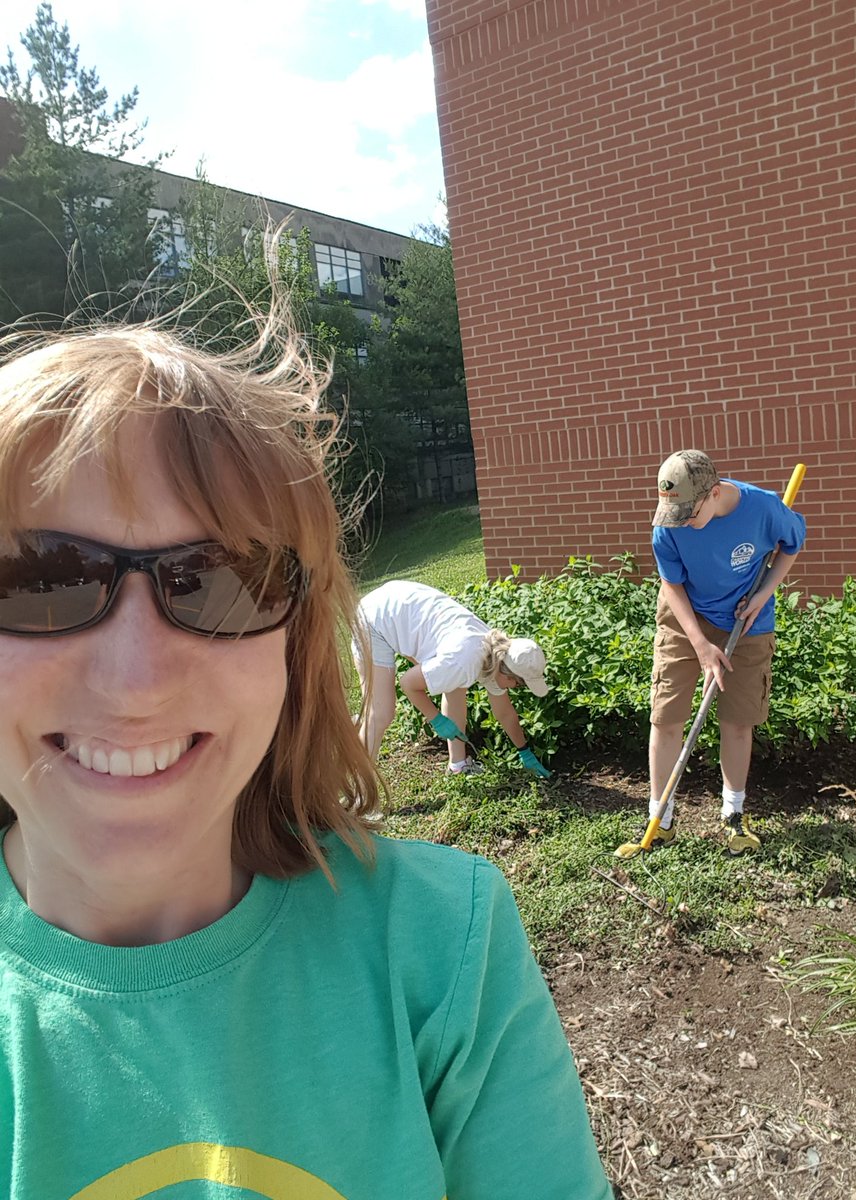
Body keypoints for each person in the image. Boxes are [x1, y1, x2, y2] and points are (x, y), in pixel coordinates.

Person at [0, 317, 614, 1200]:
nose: (135, 687)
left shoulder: (445, 943)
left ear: (290, 645)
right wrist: (452, 746)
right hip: (388, 633)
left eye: (224, 579)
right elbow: (419, 692)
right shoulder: (460, 656)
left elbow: (491, 705)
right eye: (38, 578)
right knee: (386, 707)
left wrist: (508, 751)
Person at [646, 449, 806, 854]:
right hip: (685, 617)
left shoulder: (764, 508)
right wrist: (701, 646)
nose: (680, 522)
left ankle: (733, 815)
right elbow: (672, 584)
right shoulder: (668, 524)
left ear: (714, 493)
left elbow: (791, 544)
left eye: (689, 513)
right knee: (666, 716)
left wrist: (763, 595)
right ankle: (660, 819)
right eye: (674, 513)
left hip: (746, 621)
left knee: (738, 720)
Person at [355, 579, 551, 777]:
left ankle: (458, 765)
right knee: (380, 714)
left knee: (455, 683)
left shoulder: (495, 654)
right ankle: (359, 789)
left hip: (402, 609)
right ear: (507, 673)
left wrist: (525, 752)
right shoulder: (463, 661)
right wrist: (436, 719)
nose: (515, 688)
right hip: (375, 619)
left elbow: (505, 713)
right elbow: (408, 683)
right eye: (518, 684)